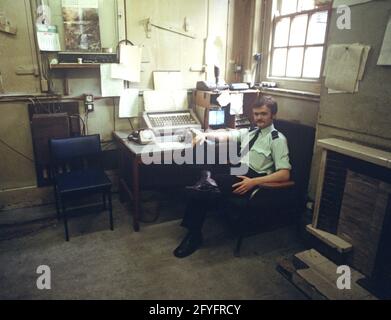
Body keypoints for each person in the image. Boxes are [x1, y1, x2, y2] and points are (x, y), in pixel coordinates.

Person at [173, 96, 292, 258]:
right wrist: (205, 135)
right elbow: (226, 135)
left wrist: (254, 182)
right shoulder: (250, 132)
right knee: (204, 170)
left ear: (273, 115)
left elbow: (285, 174)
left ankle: (193, 236)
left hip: (252, 179)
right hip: (238, 170)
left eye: (263, 114)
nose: (259, 118)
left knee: (205, 187)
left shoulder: (277, 139)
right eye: (256, 114)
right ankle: (200, 197)